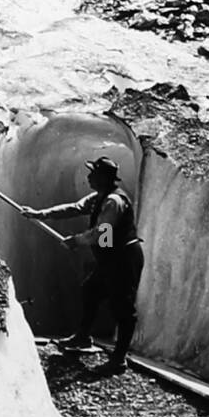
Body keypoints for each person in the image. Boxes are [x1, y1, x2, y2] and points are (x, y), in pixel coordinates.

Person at [22, 156, 143, 375]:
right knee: (91, 290)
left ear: (103, 178)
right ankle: (82, 337)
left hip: (124, 258)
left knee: (123, 308)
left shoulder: (113, 202)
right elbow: (75, 208)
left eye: (93, 173)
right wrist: (41, 214)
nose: (89, 177)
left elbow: (102, 233)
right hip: (112, 258)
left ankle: (118, 360)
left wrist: (77, 241)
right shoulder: (99, 197)